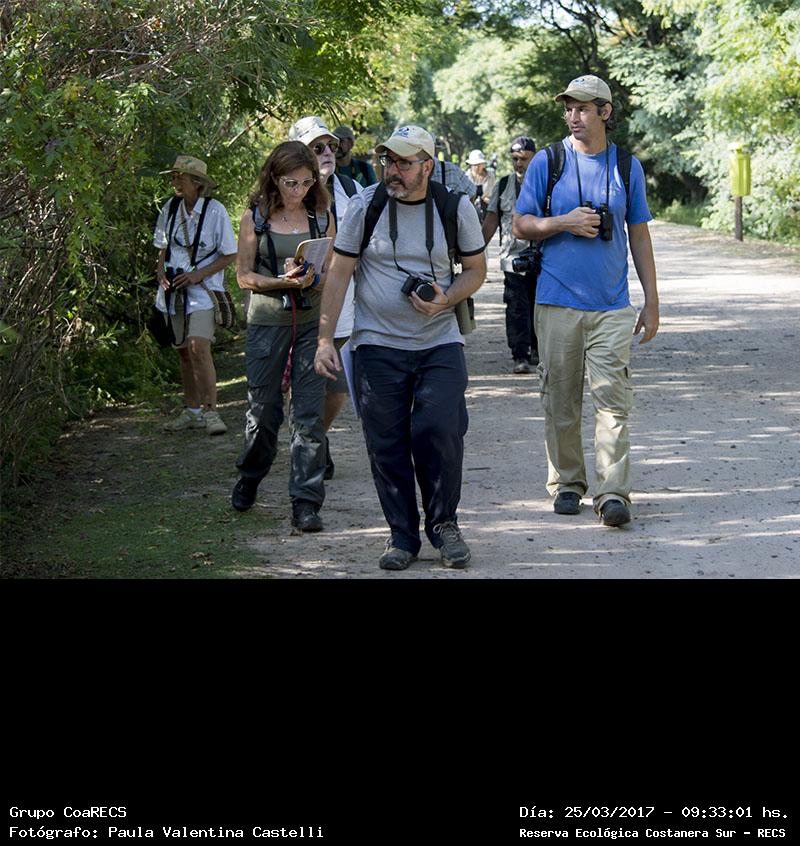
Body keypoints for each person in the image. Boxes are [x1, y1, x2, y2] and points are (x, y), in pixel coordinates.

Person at [314, 125, 487, 571]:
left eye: (404, 163)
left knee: (439, 427)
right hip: (376, 343)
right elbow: (339, 272)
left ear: (427, 166)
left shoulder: (455, 207)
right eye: (388, 160)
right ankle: (402, 536)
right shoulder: (364, 206)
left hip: (439, 341)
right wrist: (324, 338)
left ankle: (444, 525)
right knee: (385, 442)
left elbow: (476, 270)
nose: (392, 170)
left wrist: (446, 299)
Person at [512, 74, 659, 527]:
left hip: (611, 304)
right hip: (556, 300)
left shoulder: (626, 165)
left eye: (582, 108)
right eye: (569, 108)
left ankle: (613, 493)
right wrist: (564, 222)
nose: (573, 116)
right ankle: (568, 483)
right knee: (560, 399)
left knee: (613, 401)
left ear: (604, 112)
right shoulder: (548, 160)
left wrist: (651, 301)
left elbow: (639, 234)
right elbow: (521, 224)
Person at [231, 141, 335, 532]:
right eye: (291, 183)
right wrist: (281, 281)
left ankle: (305, 502)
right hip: (267, 323)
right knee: (264, 410)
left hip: (310, 323)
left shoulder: (321, 216)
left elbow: (333, 272)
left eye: (307, 183)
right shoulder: (255, 217)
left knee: (308, 415)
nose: (299, 191)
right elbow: (244, 276)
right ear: (274, 178)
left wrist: (312, 278)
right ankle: (251, 473)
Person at [289, 115, 364, 480]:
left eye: (330, 146)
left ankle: (316, 437)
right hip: (299, 304)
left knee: (337, 390)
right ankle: (307, 449)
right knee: (303, 384)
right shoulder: (284, 194)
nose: (327, 153)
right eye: (317, 148)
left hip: (344, 305)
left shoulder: (352, 189)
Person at [153, 155, 237, 436]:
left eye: (181, 177)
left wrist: (198, 274)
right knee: (183, 352)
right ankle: (192, 411)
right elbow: (162, 246)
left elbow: (230, 254)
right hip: (174, 292)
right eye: (174, 176)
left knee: (198, 346)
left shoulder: (215, 211)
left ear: (197, 183)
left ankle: (211, 412)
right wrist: (160, 272)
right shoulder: (170, 208)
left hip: (203, 292)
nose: (175, 182)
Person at [482, 136, 539, 374]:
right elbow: (491, 220)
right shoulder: (504, 185)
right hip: (512, 258)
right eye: (515, 158)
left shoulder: (547, 184)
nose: (519, 163)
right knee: (516, 306)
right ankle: (520, 354)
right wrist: (473, 251)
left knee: (541, 305)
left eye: (524, 159)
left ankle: (538, 349)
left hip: (543, 256)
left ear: (534, 158)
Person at [465, 149, 496, 222]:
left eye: (479, 164)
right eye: (475, 165)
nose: (477, 167)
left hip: (487, 210)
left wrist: (487, 199)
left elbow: (494, 195)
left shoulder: (490, 176)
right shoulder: (466, 177)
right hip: (470, 211)